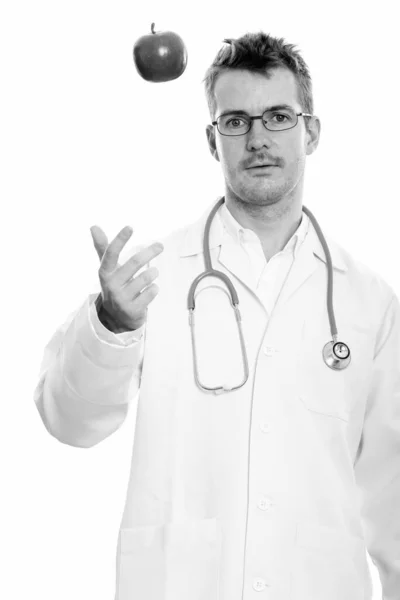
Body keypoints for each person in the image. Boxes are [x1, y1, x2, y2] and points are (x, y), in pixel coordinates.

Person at [33, 31, 400, 600]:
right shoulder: (152, 279)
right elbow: (69, 421)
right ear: (213, 139)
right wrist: (111, 324)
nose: (257, 138)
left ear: (312, 132)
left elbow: (393, 494)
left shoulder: (369, 301)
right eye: (236, 121)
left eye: (278, 116)